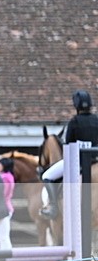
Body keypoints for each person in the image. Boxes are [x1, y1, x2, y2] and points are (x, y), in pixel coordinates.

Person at [40, 90, 98, 219]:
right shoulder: (97, 120)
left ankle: (53, 207)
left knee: (47, 176)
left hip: (78, 161)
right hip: (96, 159)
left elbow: (68, 144)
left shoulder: (74, 122)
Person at [0, 157, 15, 249]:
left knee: (3, 235)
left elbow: (3, 193)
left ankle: (6, 256)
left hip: (3, 208)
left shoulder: (5, 178)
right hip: (5, 207)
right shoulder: (8, 176)